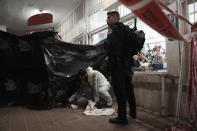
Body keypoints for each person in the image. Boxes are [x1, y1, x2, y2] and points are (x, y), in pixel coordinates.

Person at [104, 11, 137, 124]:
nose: (107, 20)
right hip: (127, 65)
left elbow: (109, 45)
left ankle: (122, 117)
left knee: (119, 91)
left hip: (117, 66)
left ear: (115, 18)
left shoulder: (112, 29)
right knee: (129, 89)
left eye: (108, 17)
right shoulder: (125, 29)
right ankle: (133, 112)